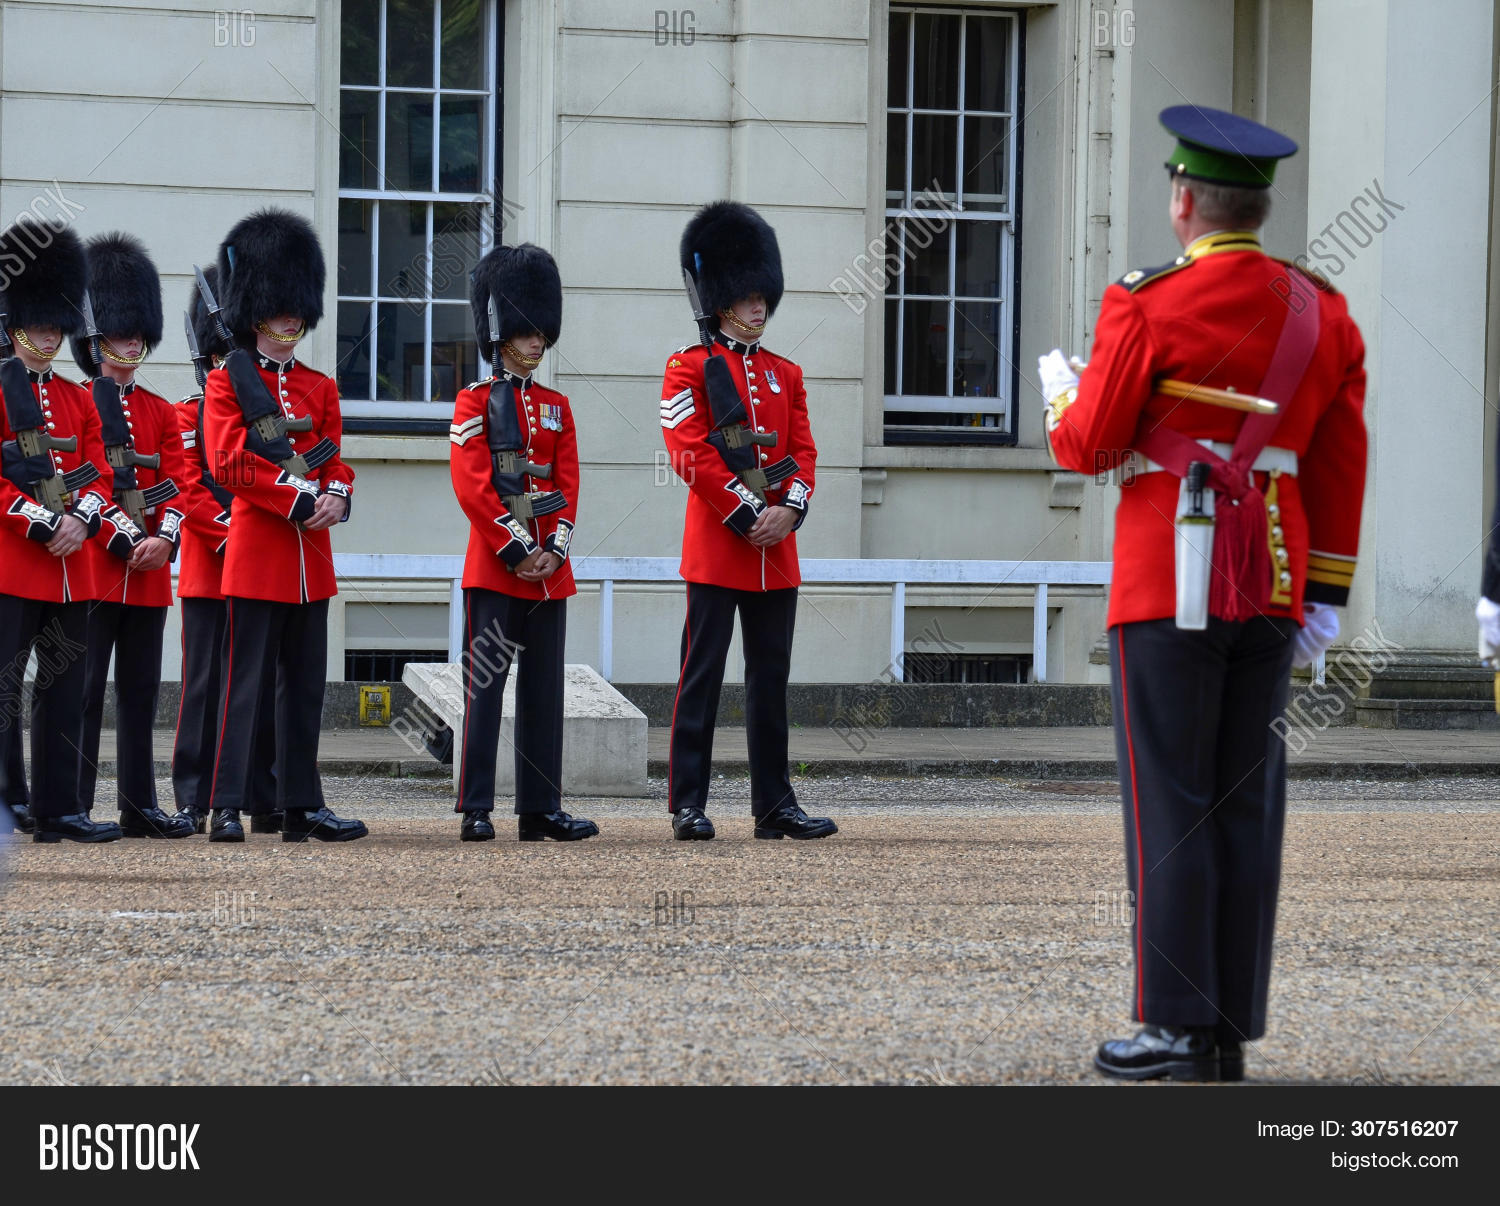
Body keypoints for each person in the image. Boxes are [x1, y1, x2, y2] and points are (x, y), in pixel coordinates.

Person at [1043, 105, 1367, 1081]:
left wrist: (1065, 394)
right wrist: (1325, 589)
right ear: (1260, 208)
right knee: (1241, 801)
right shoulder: (1322, 308)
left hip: (1166, 577)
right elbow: (1343, 457)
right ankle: (1225, 1021)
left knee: (1170, 802)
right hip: (1272, 575)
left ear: (1184, 202)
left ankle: (1174, 1024)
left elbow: (1092, 445)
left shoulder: (1144, 302)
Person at [660, 201, 835, 842]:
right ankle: (687, 802)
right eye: (746, 296)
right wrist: (747, 510)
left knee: (771, 682)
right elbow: (687, 449)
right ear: (721, 298)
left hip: (776, 553)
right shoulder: (689, 366)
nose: (758, 307)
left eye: (763, 296)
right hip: (719, 544)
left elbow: (805, 452)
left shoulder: (784, 374)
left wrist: (790, 510)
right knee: (700, 677)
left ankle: (773, 805)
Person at [202, 208, 365, 843]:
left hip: (310, 562)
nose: (290, 321)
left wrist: (338, 498)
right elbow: (227, 462)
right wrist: (297, 500)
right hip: (259, 552)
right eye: (279, 310)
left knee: (303, 693)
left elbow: (334, 457)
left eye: (297, 310)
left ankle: (301, 806)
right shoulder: (226, 384)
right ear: (257, 311)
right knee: (243, 690)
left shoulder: (319, 387)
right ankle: (226, 805)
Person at [448, 244, 595, 843]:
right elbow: (472, 486)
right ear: (501, 332)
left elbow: (568, 482)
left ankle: (539, 807)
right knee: (484, 689)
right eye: (527, 331)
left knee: (544, 691)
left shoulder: (556, 407)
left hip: (548, 570)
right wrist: (518, 550)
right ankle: (477, 805)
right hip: (497, 565)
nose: (538, 342)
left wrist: (554, 550)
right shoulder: (474, 402)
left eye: (542, 332)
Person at [0, 217, 131, 843]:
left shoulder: (79, 399)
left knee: (64, 688)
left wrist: (80, 518)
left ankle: (59, 808)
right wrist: (40, 521)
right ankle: (7, 802)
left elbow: (99, 472)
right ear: (15, 323)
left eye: (57, 325)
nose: (49, 335)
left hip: (71, 566)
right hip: (13, 559)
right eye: (40, 324)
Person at [70, 232, 194, 838]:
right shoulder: (78, 403)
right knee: (87, 691)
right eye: (123, 334)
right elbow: (83, 485)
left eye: (139, 335)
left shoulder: (161, 411)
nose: (133, 344)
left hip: (148, 571)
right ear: (97, 338)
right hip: (98, 565)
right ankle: (75, 802)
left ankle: (139, 805)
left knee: (141, 692)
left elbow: (178, 483)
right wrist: (125, 539)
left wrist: (165, 540)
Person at [170, 266, 278, 833]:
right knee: (205, 684)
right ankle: (193, 794)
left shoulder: (259, 408)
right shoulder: (190, 412)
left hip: (258, 567)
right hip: (212, 568)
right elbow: (189, 485)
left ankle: (260, 793)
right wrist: (233, 537)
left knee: (255, 685)